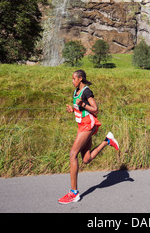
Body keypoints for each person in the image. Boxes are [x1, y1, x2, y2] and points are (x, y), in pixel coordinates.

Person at [58, 69, 119, 204]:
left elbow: (95, 109)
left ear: (80, 79)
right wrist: (73, 109)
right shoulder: (75, 91)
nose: (72, 81)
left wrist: (83, 104)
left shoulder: (86, 91)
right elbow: (79, 107)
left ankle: (74, 193)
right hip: (82, 125)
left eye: (74, 79)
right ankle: (107, 141)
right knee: (86, 159)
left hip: (88, 124)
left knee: (73, 154)